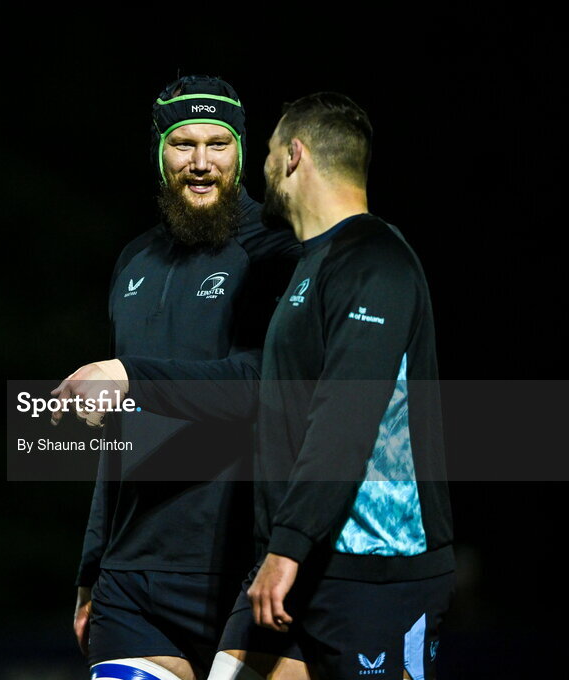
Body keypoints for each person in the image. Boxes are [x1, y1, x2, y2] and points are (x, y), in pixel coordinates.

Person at [52, 75, 301, 680]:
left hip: (248, 570)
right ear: (158, 152)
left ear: (242, 151)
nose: (200, 164)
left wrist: (130, 375)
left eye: (217, 145)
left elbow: (259, 385)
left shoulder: (278, 248)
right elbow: (117, 429)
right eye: (182, 145)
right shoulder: (134, 261)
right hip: (135, 581)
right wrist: (92, 569)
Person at [210, 93, 455, 680]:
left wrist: (287, 545)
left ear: (294, 155)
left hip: (377, 574)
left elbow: (348, 413)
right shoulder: (310, 265)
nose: (261, 169)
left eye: (267, 153)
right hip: (298, 566)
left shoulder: (376, 259)